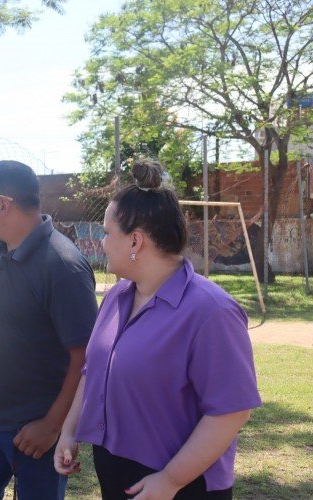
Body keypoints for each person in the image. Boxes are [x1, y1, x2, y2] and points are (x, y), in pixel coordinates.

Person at [54, 159, 262, 499]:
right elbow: (93, 372)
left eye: (107, 233)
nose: (102, 243)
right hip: (115, 470)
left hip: (184, 484)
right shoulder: (117, 297)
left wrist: (171, 480)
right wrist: (69, 432)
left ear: (135, 242)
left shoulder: (211, 311)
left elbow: (231, 411)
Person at [0, 160, 98, 500]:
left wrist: (52, 426)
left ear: (3, 203)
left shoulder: (63, 266)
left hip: (33, 436)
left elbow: (86, 357)